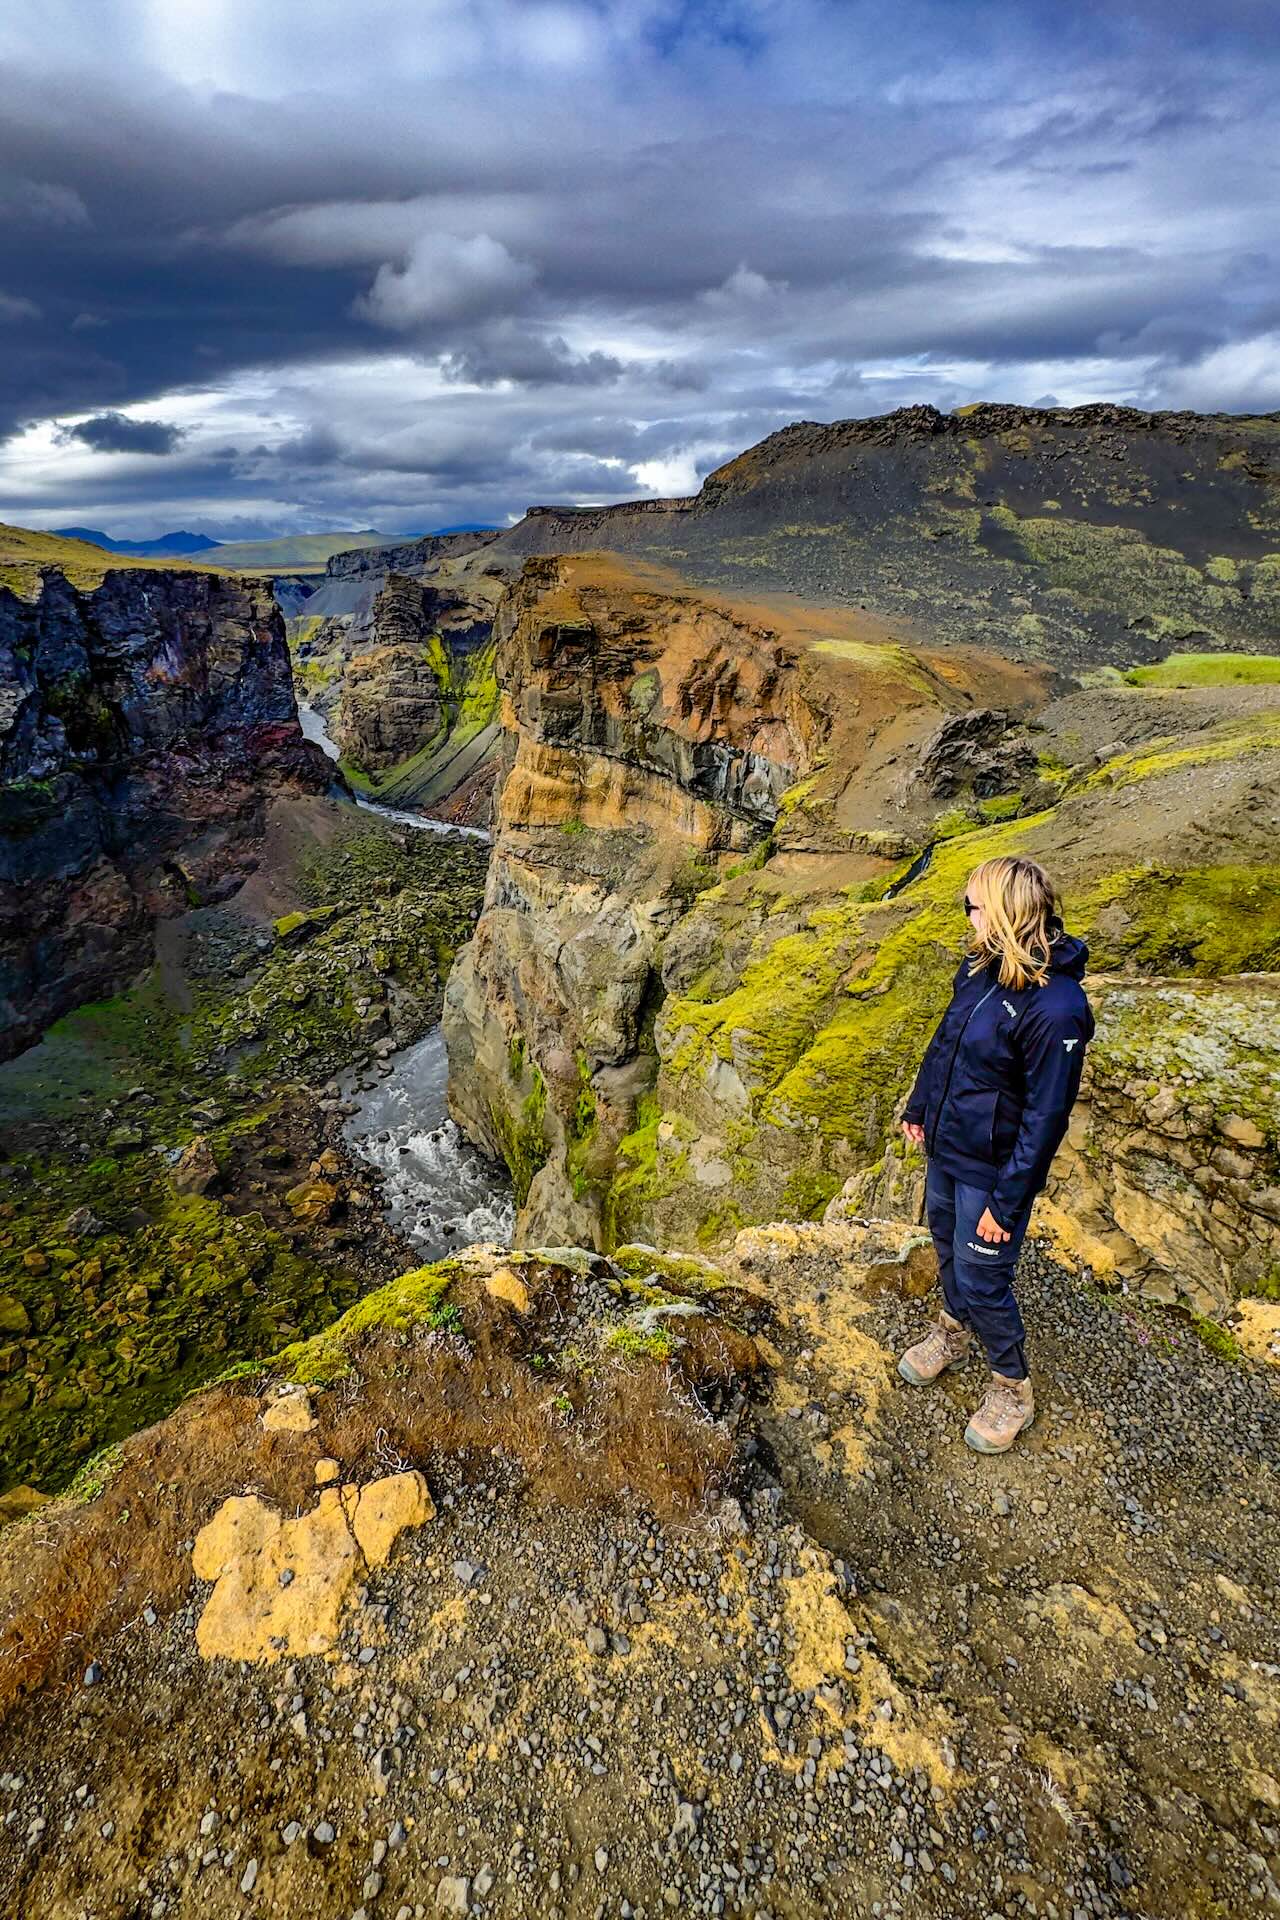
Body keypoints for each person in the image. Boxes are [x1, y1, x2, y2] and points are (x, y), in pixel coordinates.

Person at [898, 855, 1094, 1453]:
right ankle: (952, 1333)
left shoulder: (1057, 1009)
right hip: (949, 1147)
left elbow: (1046, 1118)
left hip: (994, 1169)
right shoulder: (980, 968)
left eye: (974, 906)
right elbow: (945, 1044)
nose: (968, 916)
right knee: (944, 1244)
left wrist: (1007, 1204)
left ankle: (1012, 1387)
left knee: (983, 1275)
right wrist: (918, 1107)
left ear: (1006, 912)